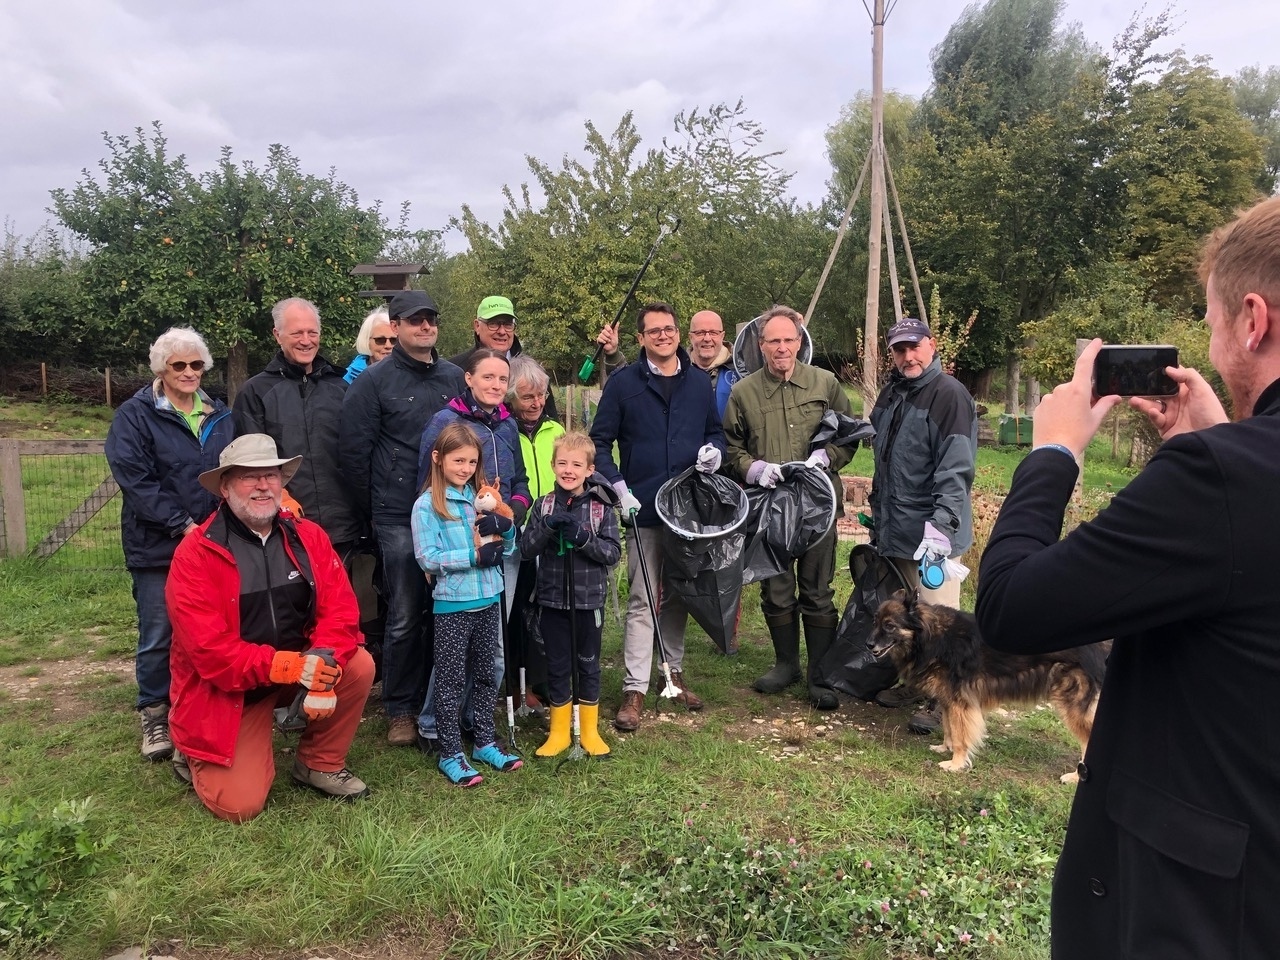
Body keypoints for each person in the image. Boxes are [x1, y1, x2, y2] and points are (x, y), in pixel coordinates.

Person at [976, 196, 1280, 958]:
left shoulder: (1221, 480)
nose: (1211, 351)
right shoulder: (1239, 472)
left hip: (1201, 913)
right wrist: (1233, 441)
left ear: (1253, 320)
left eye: (1210, 326)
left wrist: (1052, 453)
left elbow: (1012, 607)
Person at [166, 434, 374, 822]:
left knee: (358, 665)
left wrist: (320, 661)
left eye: (272, 475)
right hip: (230, 687)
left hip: (297, 668)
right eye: (249, 477)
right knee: (239, 805)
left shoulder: (309, 536)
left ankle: (319, 763)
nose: (263, 486)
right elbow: (210, 651)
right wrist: (290, 667)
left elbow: (341, 612)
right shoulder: (195, 554)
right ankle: (191, 746)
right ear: (225, 487)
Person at [589, 301, 725, 732]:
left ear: (677, 333)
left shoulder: (699, 384)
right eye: (654, 331)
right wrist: (620, 488)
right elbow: (598, 442)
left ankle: (672, 674)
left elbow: (714, 431)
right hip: (642, 506)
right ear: (641, 337)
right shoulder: (624, 384)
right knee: (643, 596)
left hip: (687, 508)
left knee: (679, 592)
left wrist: (714, 452)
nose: (663, 335)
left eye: (669, 329)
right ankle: (634, 685)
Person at [339, 289, 465, 746]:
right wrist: (374, 511)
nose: (425, 327)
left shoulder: (455, 378)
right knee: (406, 613)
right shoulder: (373, 383)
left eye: (431, 319)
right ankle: (401, 709)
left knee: (448, 610)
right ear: (394, 327)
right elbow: (353, 454)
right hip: (396, 517)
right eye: (414, 320)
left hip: (451, 513)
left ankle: (446, 701)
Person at [104, 327, 235, 761]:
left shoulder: (221, 413)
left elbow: (231, 473)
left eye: (196, 364)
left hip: (214, 542)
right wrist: (181, 525)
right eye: (179, 365)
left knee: (213, 628)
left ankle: (203, 706)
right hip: (158, 545)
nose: (189, 372)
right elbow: (136, 480)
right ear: (161, 368)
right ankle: (155, 715)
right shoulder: (135, 415)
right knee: (159, 630)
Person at [722, 306, 858, 710]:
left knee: (818, 590)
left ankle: (820, 675)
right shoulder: (743, 392)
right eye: (773, 341)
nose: (781, 347)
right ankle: (786, 665)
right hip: (770, 508)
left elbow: (850, 437)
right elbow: (731, 449)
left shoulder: (826, 383)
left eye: (788, 339)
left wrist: (826, 458)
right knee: (777, 590)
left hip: (817, 505)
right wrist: (752, 468)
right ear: (761, 346)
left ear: (800, 342)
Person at [413, 349, 532, 750]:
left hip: (501, 543)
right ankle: (433, 724)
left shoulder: (508, 424)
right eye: (488, 378)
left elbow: (521, 481)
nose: (496, 386)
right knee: (453, 652)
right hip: (460, 550)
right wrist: (458, 540)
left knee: (491, 645)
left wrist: (509, 515)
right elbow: (428, 485)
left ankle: (473, 721)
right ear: (469, 379)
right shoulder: (446, 422)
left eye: (503, 379)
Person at [867, 317, 977, 731]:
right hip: (896, 529)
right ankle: (915, 685)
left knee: (941, 625)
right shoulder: (893, 391)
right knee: (909, 620)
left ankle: (946, 702)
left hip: (932, 535)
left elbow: (956, 469)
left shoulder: (948, 395)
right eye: (899, 349)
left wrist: (942, 529)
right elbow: (877, 442)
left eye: (915, 347)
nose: (908, 356)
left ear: (931, 346)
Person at [411, 422, 521, 786]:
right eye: (458, 461)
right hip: (454, 605)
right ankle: (450, 751)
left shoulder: (481, 499)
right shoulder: (427, 505)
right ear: (438, 458)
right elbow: (428, 558)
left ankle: (485, 741)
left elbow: (507, 550)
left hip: (490, 598)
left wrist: (504, 530)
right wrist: (474, 555)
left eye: (472, 462)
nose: (465, 469)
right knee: (451, 679)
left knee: (487, 674)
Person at [234, 297, 362, 562]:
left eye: (312, 332)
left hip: (342, 528)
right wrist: (282, 499)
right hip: (283, 525)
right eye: (297, 333)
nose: (306, 340)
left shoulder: (340, 389)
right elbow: (250, 462)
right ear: (277, 335)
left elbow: (357, 453)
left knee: (339, 602)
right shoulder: (256, 392)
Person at [520, 431, 621, 757]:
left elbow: (612, 553)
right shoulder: (543, 506)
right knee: (558, 665)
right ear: (552, 465)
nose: (568, 470)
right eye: (562, 463)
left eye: (577, 465)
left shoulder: (599, 508)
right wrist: (548, 527)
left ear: (589, 470)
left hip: (588, 601)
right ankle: (560, 732)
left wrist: (582, 537)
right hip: (551, 601)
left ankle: (588, 731)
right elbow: (525, 549)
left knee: (588, 664)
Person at [508, 354, 566, 709]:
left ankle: (543, 683)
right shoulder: (504, 430)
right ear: (512, 396)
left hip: (549, 533)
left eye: (541, 395)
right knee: (516, 612)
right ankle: (515, 685)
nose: (536, 402)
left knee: (545, 611)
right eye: (528, 396)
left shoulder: (555, 430)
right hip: (518, 533)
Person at [449, 295, 560, 420]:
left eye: (508, 324)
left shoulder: (533, 370)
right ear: (477, 326)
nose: (502, 331)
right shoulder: (456, 369)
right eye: (494, 324)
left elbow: (551, 420)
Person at [688, 309, 739, 418]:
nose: (707, 338)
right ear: (690, 337)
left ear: (722, 336)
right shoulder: (676, 371)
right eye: (700, 333)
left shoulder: (740, 370)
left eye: (713, 333)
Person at [344, 305, 396, 384]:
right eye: (380, 340)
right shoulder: (348, 378)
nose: (388, 346)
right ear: (366, 341)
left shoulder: (412, 375)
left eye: (394, 340)